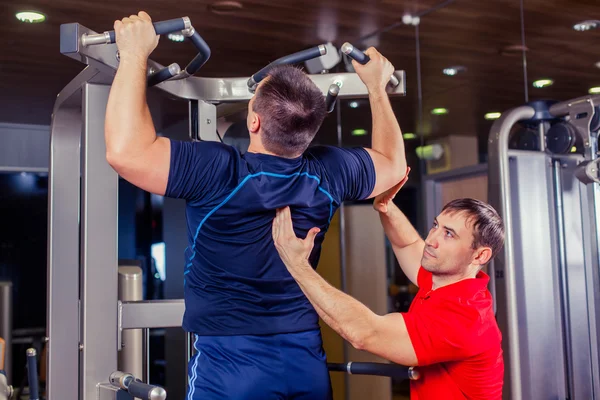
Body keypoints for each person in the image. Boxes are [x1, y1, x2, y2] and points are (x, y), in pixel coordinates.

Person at [104, 11, 407, 400]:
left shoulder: (220, 171)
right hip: (304, 359)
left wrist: (133, 54)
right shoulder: (329, 174)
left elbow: (125, 152)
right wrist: (377, 89)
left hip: (231, 364)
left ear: (254, 122)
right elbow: (394, 164)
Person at [271, 173, 505, 400]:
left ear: (480, 255)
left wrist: (297, 265)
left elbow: (364, 333)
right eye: (436, 225)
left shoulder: (465, 317)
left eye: (449, 234)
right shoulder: (443, 283)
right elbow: (408, 245)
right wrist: (386, 205)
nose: (432, 239)